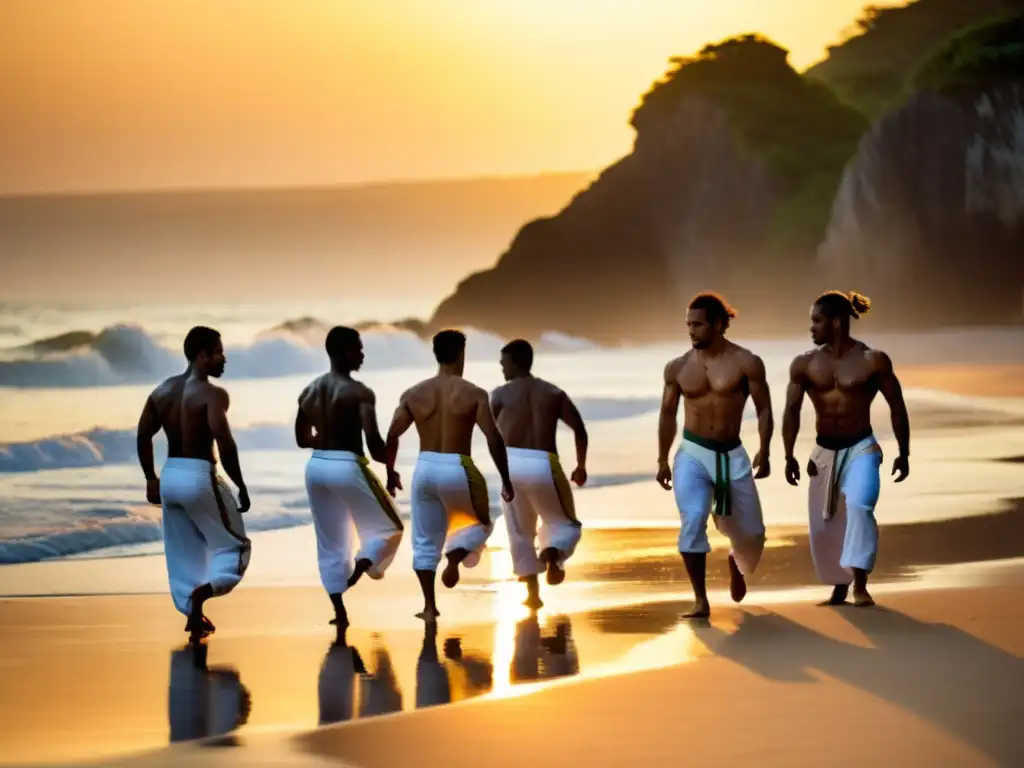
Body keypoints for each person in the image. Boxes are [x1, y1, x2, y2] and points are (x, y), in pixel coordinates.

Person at [782, 290, 910, 608]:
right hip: (824, 452)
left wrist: (904, 452)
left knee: (860, 506)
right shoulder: (804, 364)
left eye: (817, 321)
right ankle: (840, 587)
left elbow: (896, 405)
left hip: (861, 447)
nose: (811, 328)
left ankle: (861, 584)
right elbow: (791, 411)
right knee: (827, 524)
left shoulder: (872, 361)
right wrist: (787, 455)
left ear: (836, 323)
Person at [656, 292, 773, 619]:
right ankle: (700, 600)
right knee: (692, 519)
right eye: (688, 324)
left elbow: (763, 408)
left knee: (752, 535)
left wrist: (765, 447)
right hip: (692, 454)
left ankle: (737, 561)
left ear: (720, 325)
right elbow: (667, 415)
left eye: (699, 325)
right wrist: (663, 458)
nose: (691, 331)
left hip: (732, 455)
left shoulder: (746, 363)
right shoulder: (677, 368)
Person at [385, 329, 514, 623]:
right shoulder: (473, 393)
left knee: (424, 541)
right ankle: (455, 556)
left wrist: (391, 472)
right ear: (460, 354)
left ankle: (430, 607)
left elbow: (392, 435)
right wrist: (506, 479)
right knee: (482, 521)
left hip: (424, 468)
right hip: (458, 466)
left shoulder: (413, 393)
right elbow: (493, 437)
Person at [136, 326, 251, 642]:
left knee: (184, 550)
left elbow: (144, 434)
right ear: (202, 356)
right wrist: (240, 484)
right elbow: (224, 443)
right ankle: (205, 593)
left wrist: (150, 478)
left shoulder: (161, 392)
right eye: (218, 352)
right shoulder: (213, 395)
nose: (223, 358)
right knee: (235, 545)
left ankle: (193, 613)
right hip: (200, 474)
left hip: (170, 476)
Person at [296, 326, 404, 630]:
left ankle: (339, 611)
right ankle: (361, 567)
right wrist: (392, 462)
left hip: (316, 468)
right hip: (347, 464)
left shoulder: (308, 391)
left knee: (330, 542)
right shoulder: (360, 393)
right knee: (390, 527)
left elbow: (302, 439)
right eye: (357, 348)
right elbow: (374, 444)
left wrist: (325, 440)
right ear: (342, 352)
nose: (362, 354)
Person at [490, 339, 587, 610]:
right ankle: (553, 554)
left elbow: (489, 435)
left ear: (516, 362)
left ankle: (533, 594)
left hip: (511, 464)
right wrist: (580, 465)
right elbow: (579, 428)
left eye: (504, 363)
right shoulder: (552, 392)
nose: (501, 368)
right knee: (563, 522)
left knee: (519, 530)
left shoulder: (498, 395)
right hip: (544, 462)